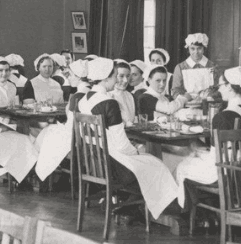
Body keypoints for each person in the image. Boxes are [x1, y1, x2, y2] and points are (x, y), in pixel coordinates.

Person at [77, 57, 184, 219]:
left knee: (151, 163)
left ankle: (145, 207)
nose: (118, 80)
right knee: (157, 164)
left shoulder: (84, 99)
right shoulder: (109, 102)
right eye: (115, 76)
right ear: (106, 78)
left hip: (94, 161)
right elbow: (121, 145)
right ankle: (167, 210)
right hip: (114, 166)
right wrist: (136, 152)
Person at [174, 66, 241, 189]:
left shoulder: (222, 117)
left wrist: (198, 151)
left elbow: (214, 156)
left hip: (221, 171)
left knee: (182, 165)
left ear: (229, 86)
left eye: (221, 85)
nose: (219, 90)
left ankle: (185, 207)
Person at [33, 59, 95, 182]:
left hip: (78, 137)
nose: (68, 78)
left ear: (78, 77)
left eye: (70, 75)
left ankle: (42, 175)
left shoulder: (78, 96)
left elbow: (71, 125)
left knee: (44, 134)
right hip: (88, 135)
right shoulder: (91, 91)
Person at [171, 33, 220, 99]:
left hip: (207, 103)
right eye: (192, 49)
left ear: (204, 49)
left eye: (199, 48)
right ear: (188, 49)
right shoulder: (180, 67)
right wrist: (184, 98)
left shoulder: (213, 66)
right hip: (187, 104)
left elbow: (217, 89)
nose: (196, 52)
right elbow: (176, 90)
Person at [109, 60, 136, 124]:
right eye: (121, 76)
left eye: (128, 76)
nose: (126, 80)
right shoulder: (108, 96)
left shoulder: (129, 95)